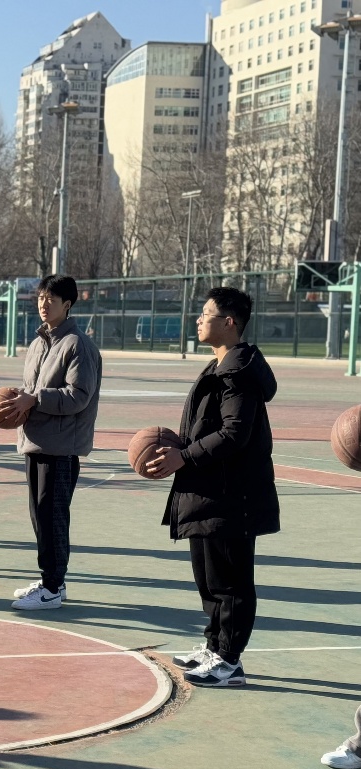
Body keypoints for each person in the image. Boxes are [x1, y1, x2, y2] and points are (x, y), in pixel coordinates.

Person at [146, 287, 278, 688]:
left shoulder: (238, 374)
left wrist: (184, 457)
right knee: (209, 579)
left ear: (229, 322)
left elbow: (235, 433)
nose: (199, 319)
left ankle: (230, 661)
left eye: (207, 313)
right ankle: (214, 645)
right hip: (208, 490)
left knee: (231, 583)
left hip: (232, 495)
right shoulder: (219, 366)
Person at [0, 274, 102, 611]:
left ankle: (52, 588)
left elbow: (78, 396)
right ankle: (52, 580)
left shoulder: (77, 345)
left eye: (51, 299)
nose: (44, 304)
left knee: (53, 518)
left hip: (60, 448)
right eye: (41, 297)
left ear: (67, 305)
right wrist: (19, 398)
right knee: (40, 516)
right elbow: (33, 389)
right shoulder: (39, 343)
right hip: (35, 441)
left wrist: (35, 398)